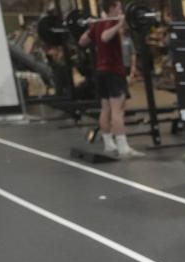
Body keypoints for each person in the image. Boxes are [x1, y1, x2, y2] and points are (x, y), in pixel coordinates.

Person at [78, 0, 143, 157]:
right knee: (117, 111)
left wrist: (89, 27)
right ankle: (123, 147)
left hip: (101, 71)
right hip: (113, 72)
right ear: (112, 8)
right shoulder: (110, 23)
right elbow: (105, 37)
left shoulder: (98, 23)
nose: (121, 10)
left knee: (105, 109)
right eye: (119, 7)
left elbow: (82, 41)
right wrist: (119, 24)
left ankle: (108, 144)